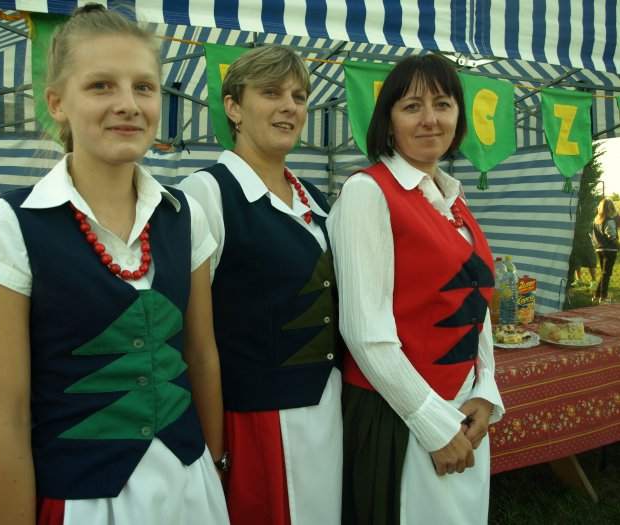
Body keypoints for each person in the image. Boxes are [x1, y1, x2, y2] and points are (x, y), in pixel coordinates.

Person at [0, 6, 228, 524]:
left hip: (190, 486)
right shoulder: (9, 226)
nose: (127, 104)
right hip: (83, 501)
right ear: (57, 103)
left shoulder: (184, 216)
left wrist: (215, 462)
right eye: (101, 86)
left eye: (143, 87)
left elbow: (201, 355)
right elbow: (4, 423)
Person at [328, 54, 504, 525]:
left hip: (462, 406)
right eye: (412, 106)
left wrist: (485, 390)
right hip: (399, 414)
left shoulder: (454, 200)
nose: (430, 119)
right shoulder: (368, 192)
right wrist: (432, 423)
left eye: (443, 104)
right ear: (388, 121)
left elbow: (477, 304)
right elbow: (364, 331)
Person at [179, 45, 342, 525]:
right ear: (233, 107)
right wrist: (214, 449)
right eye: (271, 93)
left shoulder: (313, 198)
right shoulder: (206, 193)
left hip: (325, 408)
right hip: (255, 419)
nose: (289, 106)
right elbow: (193, 339)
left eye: (299, 96)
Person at [591, 197, 619, 303]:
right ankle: (603, 297)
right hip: (610, 250)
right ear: (610, 208)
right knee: (607, 273)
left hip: (599, 249)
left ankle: (597, 295)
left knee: (604, 273)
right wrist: (618, 246)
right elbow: (611, 236)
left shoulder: (596, 220)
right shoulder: (609, 220)